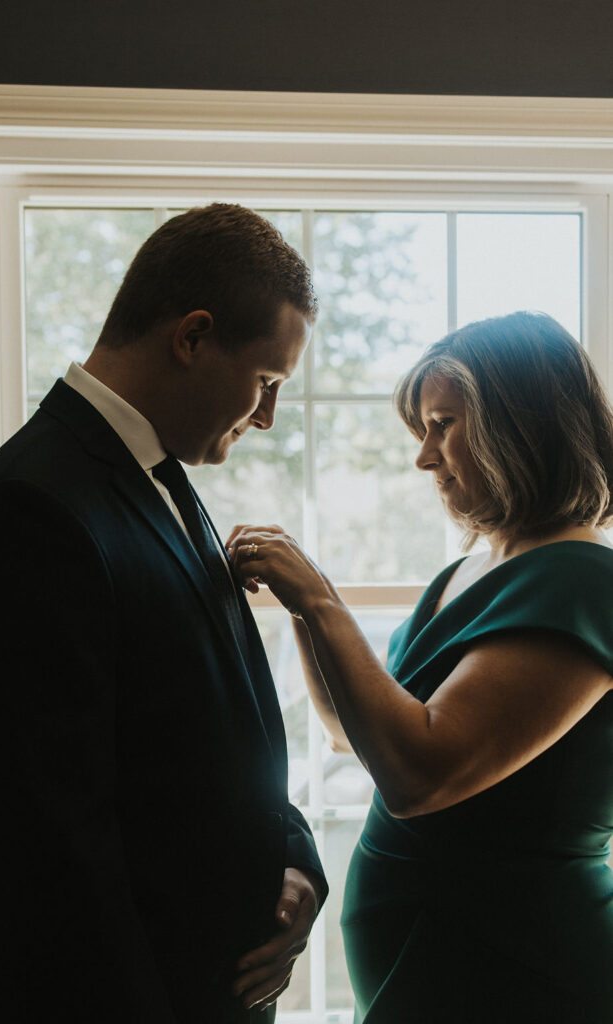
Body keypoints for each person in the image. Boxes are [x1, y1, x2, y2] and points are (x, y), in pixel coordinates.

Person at [0, 203, 328, 1024]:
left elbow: (214, 731)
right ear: (192, 337)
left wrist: (292, 857)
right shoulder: (32, 508)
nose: (265, 418)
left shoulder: (158, 478)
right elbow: (54, 854)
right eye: (265, 383)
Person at [227, 311, 613, 1023]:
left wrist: (319, 595)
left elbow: (421, 774)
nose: (424, 457)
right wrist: (307, 611)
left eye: (443, 425)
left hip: (520, 967)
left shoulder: (586, 583)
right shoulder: (462, 573)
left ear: (521, 428)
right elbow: (354, 735)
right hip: (431, 959)